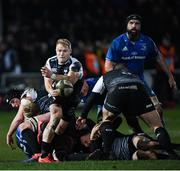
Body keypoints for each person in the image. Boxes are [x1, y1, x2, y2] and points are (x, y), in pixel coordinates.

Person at [105, 14, 177, 125]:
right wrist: (114, 83)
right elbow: (108, 66)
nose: (134, 26)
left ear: (140, 26)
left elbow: (159, 57)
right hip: (122, 82)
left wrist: (170, 76)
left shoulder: (147, 41)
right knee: (111, 116)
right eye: (131, 23)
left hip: (140, 81)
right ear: (127, 25)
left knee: (158, 109)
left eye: (137, 23)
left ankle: (161, 134)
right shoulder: (117, 43)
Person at [98, 64, 179, 160]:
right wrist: (155, 102)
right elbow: (146, 90)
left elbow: (95, 98)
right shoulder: (134, 76)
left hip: (128, 140)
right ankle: (172, 151)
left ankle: (107, 153)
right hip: (137, 94)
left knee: (139, 141)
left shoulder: (108, 76)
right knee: (156, 127)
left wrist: (85, 118)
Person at [40, 38, 84, 163]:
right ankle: (43, 156)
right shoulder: (50, 61)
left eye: (65, 51)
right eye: (59, 50)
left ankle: (51, 149)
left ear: (70, 51)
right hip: (56, 97)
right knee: (55, 116)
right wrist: (50, 91)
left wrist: (52, 75)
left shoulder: (76, 64)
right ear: (55, 50)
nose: (61, 53)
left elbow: (70, 81)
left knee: (60, 129)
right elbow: (47, 82)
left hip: (71, 100)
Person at [5, 88, 51, 158]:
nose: (13, 105)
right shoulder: (31, 93)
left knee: (22, 128)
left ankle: (37, 154)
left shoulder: (24, 99)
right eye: (11, 103)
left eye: (13, 101)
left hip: (50, 115)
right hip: (54, 114)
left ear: (17, 96)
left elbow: (18, 119)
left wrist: (9, 134)